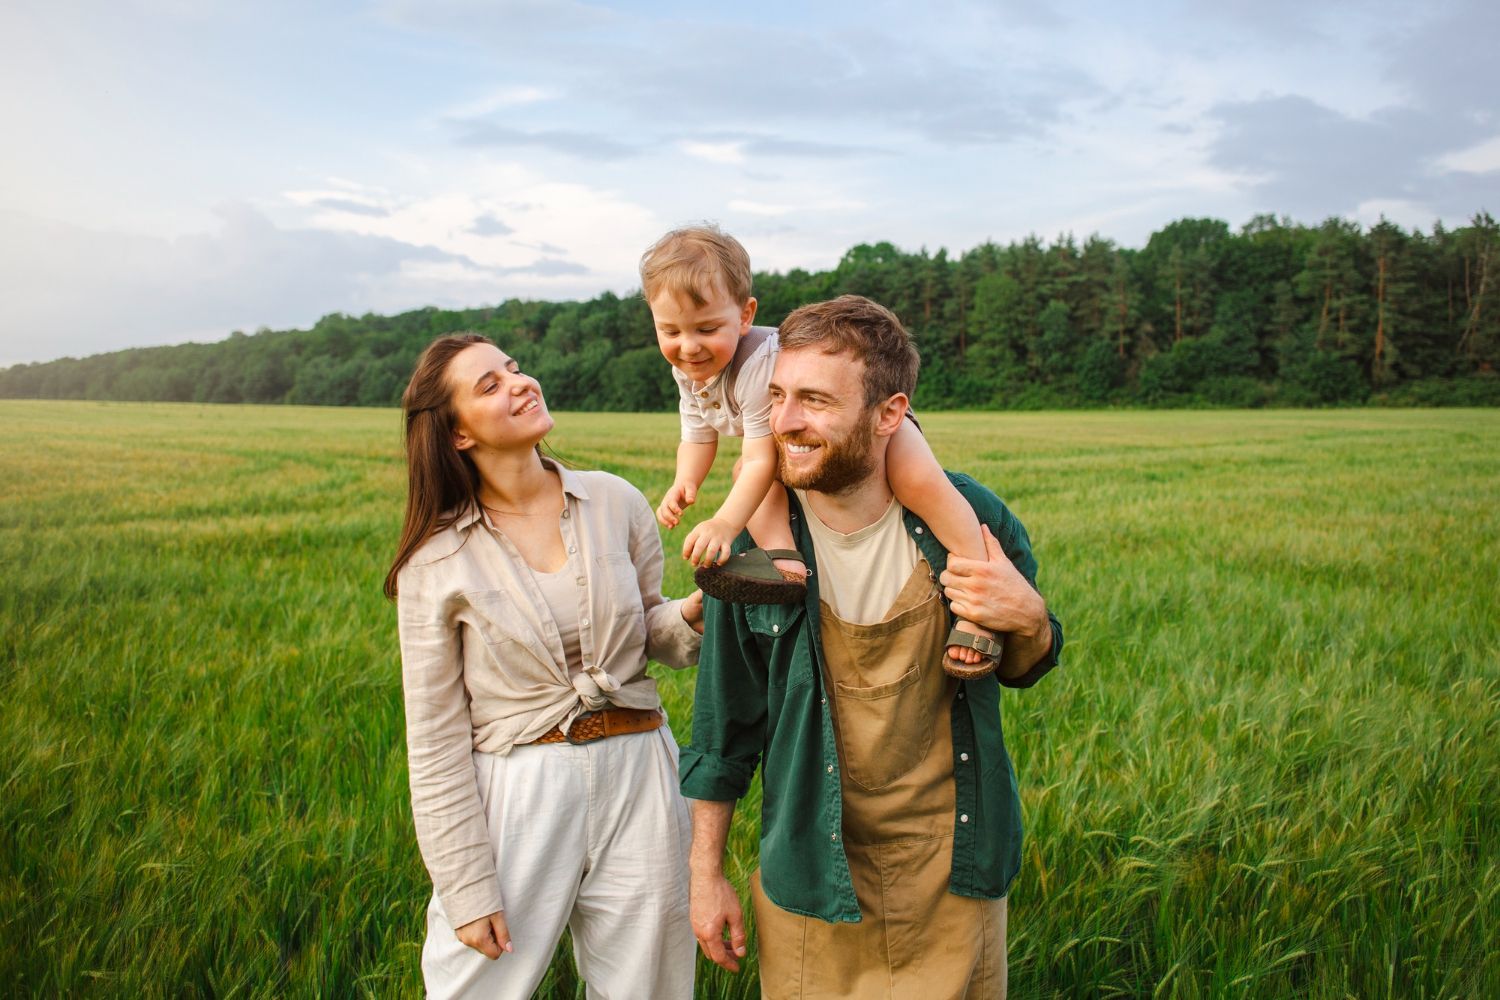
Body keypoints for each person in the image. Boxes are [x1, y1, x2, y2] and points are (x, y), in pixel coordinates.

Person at [679, 296, 1065, 998]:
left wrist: (1031, 620)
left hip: (954, 870)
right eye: (777, 397)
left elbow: (1028, 660)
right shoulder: (753, 555)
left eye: (815, 401)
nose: (784, 423)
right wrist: (705, 878)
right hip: (810, 876)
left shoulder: (968, 520)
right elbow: (722, 726)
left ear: (891, 413)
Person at [385, 333, 702, 999]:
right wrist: (465, 883)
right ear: (458, 435)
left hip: (641, 769)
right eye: (490, 386)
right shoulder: (436, 561)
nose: (520, 383)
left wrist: (694, 616)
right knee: (476, 987)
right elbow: (435, 736)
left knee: (650, 988)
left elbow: (649, 634)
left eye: (514, 368)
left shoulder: (614, 501)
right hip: (519, 791)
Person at [641, 224, 1005, 678]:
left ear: (745, 315)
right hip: (793, 435)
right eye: (669, 330)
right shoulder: (689, 367)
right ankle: (785, 561)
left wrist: (723, 522)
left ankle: (980, 598)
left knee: (922, 485)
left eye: (707, 328)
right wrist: (685, 481)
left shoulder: (754, 367)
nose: (688, 346)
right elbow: (696, 433)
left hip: (873, 424)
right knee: (745, 474)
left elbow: (760, 459)